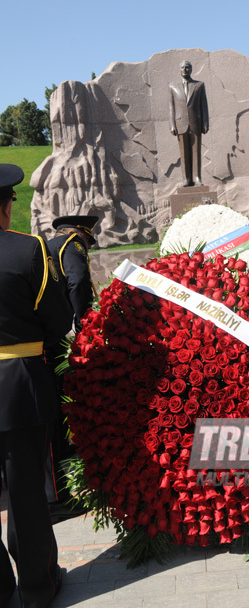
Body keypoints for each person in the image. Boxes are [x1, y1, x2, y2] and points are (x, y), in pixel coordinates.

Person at [0, 163, 73, 607]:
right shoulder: (28, 251)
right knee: (26, 495)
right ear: (7, 206)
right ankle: (36, 587)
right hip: (20, 388)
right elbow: (58, 320)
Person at [44, 215, 98, 512]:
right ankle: (59, 492)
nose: (86, 248)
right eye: (88, 242)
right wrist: (82, 322)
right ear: (79, 234)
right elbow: (77, 282)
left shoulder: (45, 246)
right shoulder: (72, 244)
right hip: (60, 340)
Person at [169, 60, 209, 187]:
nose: (185, 70)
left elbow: (204, 106)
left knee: (196, 151)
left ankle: (197, 178)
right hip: (180, 124)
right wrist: (172, 125)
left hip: (195, 122)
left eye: (187, 67)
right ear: (179, 70)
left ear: (191, 69)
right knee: (184, 153)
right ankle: (186, 179)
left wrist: (205, 122)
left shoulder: (199, 85)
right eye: (182, 68)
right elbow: (171, 107)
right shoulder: (172, 86)